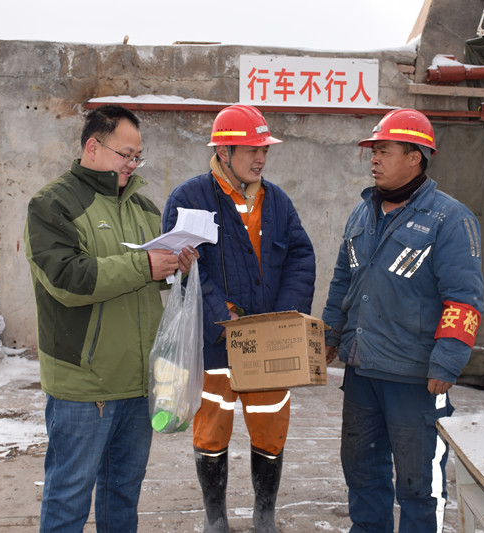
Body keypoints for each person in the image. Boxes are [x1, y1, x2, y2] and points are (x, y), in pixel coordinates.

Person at [24, 104, 197, 533]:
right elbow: (67, 279)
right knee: (69, 496)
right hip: (85, 385)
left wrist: (177, 267)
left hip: (138, 383)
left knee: (123, 495)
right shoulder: (52, 205)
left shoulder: (143, 207)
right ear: (92, 147)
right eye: (125, 154)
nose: (132, 164)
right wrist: (143, 266)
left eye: (138, 156)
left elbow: (153, 281)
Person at [322, 109, 484, 533]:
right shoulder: (362, 214)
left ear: (415, 157)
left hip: (415, 376)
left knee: (419, 481)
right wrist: (330, 334)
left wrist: (447, 361)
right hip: (362, 370)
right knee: (362, 469)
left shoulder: (451, 219)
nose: (374, 159)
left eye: (385, 151)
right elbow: (343, 281)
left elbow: (464, 299)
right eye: (373, 151)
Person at [162, 104, 316, 533]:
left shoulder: (277, 201)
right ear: (223, 151)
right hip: (214, 343)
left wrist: (283, 316)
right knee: (211, 430)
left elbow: (301, 257)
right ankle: (216, 518)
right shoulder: (189, 199)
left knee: (270, 426)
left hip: (267, 343)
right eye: (251, 150)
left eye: (264, 149)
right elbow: (185, 265)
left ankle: (264, 514)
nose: (261, 158)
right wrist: (222, 314)